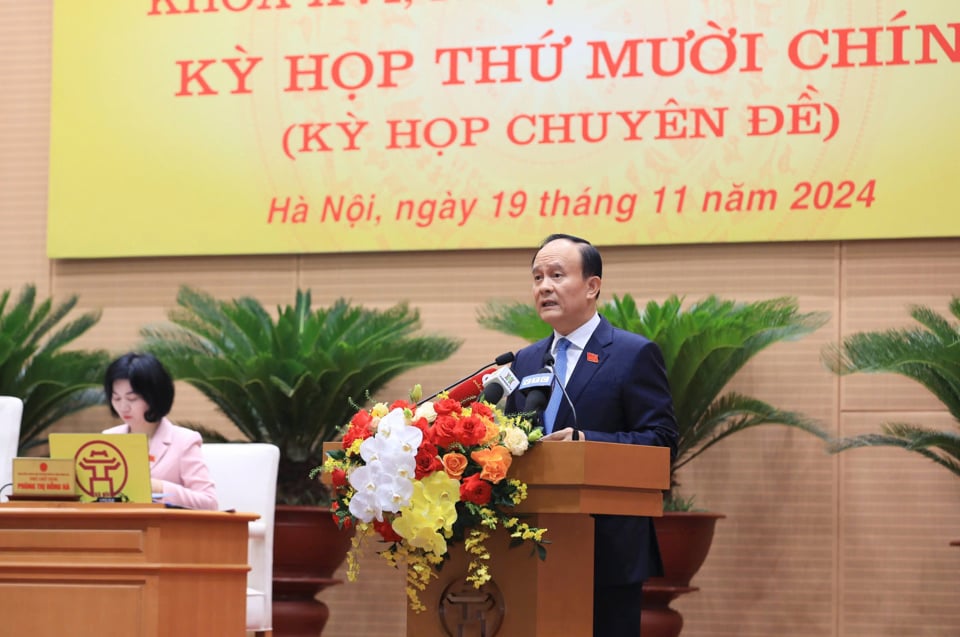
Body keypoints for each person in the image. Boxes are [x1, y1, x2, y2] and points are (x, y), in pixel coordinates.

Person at [504, 234, 679, 636]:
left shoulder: (632, 354)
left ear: (592, 286)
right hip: (528, 543)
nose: (544, 286)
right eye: (537, 277)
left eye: (557, 275)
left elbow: (662, 439)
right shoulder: (528, 359)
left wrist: (586, 443)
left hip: (606, 548)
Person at [102, 352, 217, 510]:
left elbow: (209, 502)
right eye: (116, 398)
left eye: (132, 399)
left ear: (154, 396)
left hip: (165, 530)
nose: (123, 407)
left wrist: (159, 487)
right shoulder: (108, 438)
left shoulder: (184, 441)